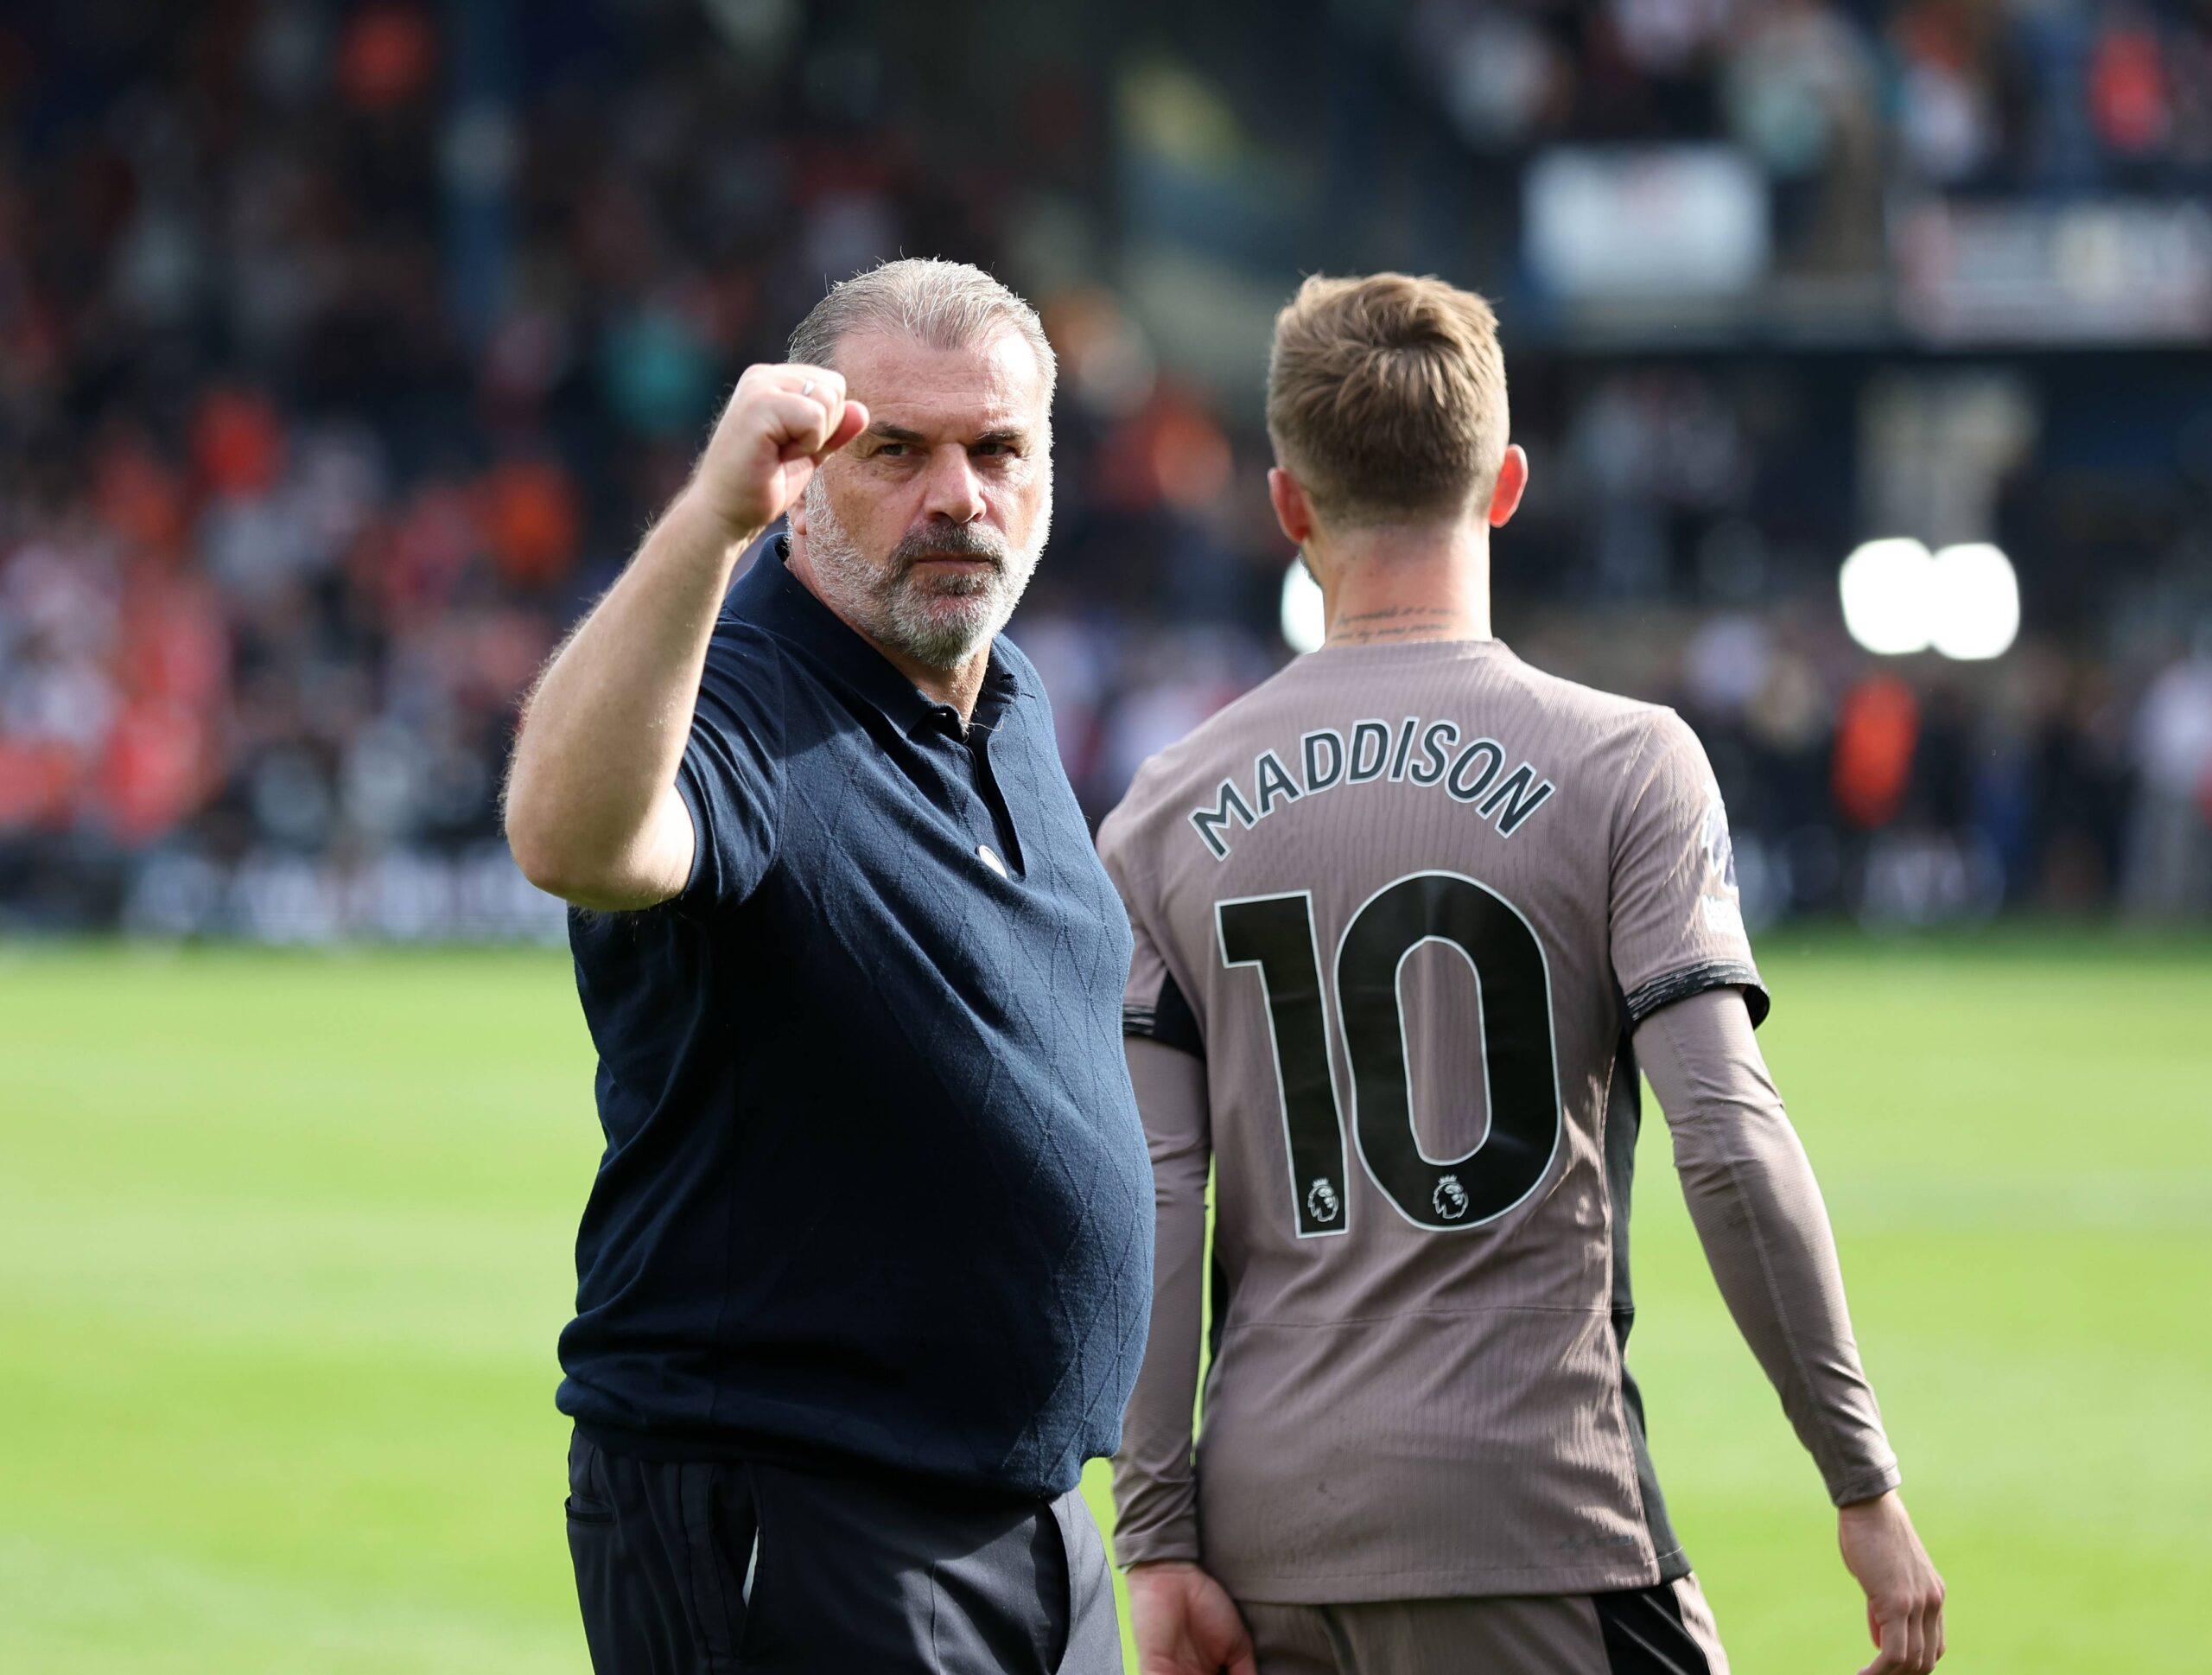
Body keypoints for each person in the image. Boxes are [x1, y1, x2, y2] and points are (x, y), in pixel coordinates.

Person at [1097, 273, 1947, 1675]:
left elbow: (1156, 1194)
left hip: (1264, 1540)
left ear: (1289, 506)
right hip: (1537, 1516)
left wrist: (1158, 1535)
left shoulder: (1161, 806)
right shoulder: (1628, 763)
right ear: (1506, 486)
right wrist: (1860, 1478)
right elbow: (1726, 1140)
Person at [502, 258, 1147, 1674]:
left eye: (997, 450)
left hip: (1029, 1515)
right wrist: (713, 518)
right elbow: (568, 830)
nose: (956, 496)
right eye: (897, 451)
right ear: (802, 473)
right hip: (794, 1507)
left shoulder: (1008, 698)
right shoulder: (744, 688)